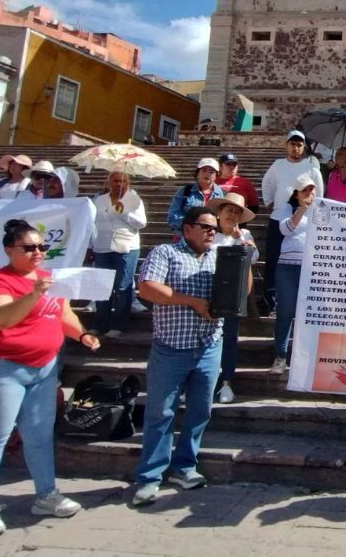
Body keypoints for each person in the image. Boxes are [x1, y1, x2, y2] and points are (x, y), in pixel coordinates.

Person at [0, 219, 101, 538]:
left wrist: (83, 335)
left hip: (43, 368)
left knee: (39, 436)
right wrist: (33, 294)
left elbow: (64, 315)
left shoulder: (50, 279)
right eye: (29, 247)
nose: (38, 252)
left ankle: (46, 494)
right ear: (10, 250)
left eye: (42, 247)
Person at [132, 206, 222, 507]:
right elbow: (147, 288)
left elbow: (241, 292)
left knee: (200, 410)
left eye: (214, 228)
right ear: (186, 229)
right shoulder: (165, 253)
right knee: (161, 413)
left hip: (209, 345)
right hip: (171, 346)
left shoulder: (220, 255)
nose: (212, 232)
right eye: (205, 227)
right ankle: (149, 477)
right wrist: (192, 302)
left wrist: (245, 263)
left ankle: (185, 467)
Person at [260, 130, 322, 311]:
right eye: (293, 144)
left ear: (303, 147)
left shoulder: (311, 167)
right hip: (278, 218)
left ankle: (299, 303)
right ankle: (268, 300)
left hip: (303, 224)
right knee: (272, 261)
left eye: (299, 145)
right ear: (287, 145)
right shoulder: (278, 164)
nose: (296, 148)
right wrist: (268, 200)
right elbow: (267, 182)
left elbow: (319, 193)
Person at [207, 193, 258, 403]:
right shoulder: (208, 233)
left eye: (237, 212)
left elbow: (253, 257)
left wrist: (239, 240)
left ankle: (226, 382)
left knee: (228, 339)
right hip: (207, 291)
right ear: (219, 213)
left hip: (231, 296)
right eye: (229, 211)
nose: (233, 215)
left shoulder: (244, 234)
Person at [91, 171, 147, 338]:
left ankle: (119, 325)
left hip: (126, 246)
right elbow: (93, 222)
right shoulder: (99, 200)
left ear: (128, 183)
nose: (118, 184)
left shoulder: (134, 200)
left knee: (123, 286)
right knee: (102, 286)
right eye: (115, 181)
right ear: (109, 182)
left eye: (122, 181)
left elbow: (142, 223)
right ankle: (100, 323)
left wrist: (124, 213)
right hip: (102, 246)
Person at [272, 176, 317, 375]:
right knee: (285, 313)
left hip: (310, 268)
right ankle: (280, 356)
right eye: (305, 190)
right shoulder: (287, 210)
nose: (309, 194)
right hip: (288, 268)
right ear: (297, 194)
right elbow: (285, 229)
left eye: (312, 190)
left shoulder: (321, 211)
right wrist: (303, 209)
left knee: (307, 314)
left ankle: (303, 358)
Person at [168, 158, 226, 238]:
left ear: (217, 175)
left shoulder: (223, 195)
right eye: (203, 170)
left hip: (212, 239)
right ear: (197, 173)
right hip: (185, 238)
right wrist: (193, 225)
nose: (207, 174)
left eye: (211, 172)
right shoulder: (185, 191)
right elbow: (173, 216)